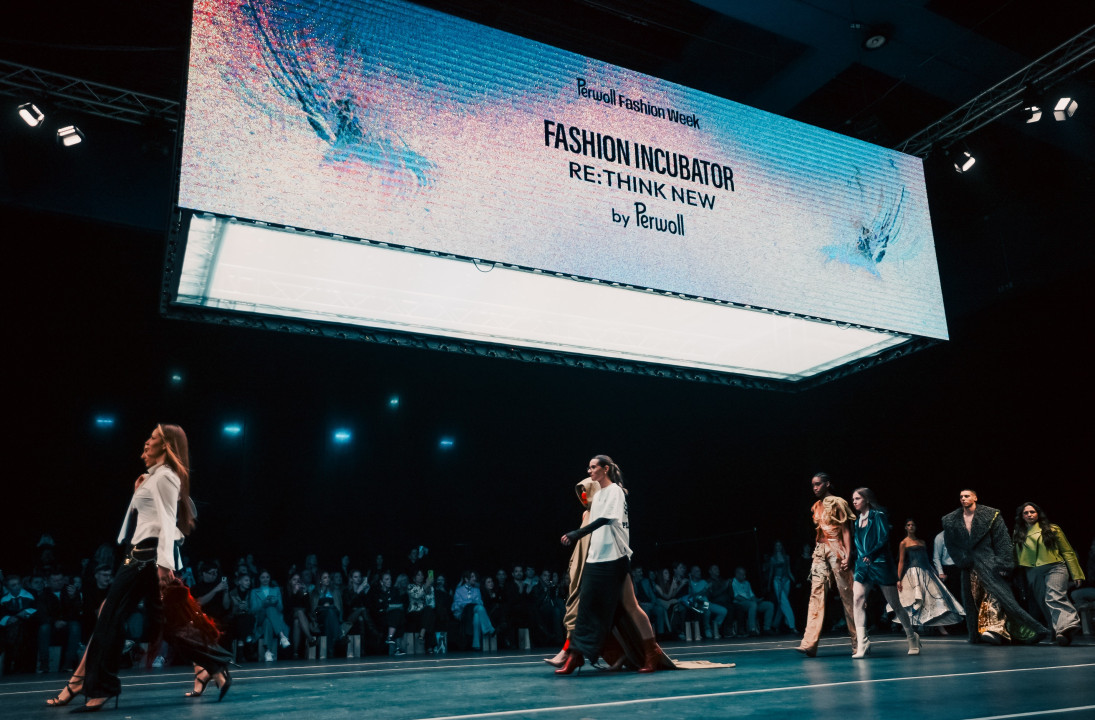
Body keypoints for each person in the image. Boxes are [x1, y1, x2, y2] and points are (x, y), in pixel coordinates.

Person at [48, 425, 233, 711]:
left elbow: (168, 522)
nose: (146, 443)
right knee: (166, 621)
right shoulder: (153, 477)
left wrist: (164, 565)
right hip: (139, 553)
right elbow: (149, 518)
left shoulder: (166, 477)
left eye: (152, 439)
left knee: (110, 615)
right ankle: (212, 666)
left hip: (146, 556)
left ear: (166, 446)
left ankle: (93, 684)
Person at [555, 455, 632, 675]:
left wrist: (576, 533)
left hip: (615, 556)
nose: (589, 471)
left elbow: (606, 520)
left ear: (605, 469)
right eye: (588, 468)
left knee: (622, 609)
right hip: (595, 558)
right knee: (586, 607)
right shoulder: (597, 498)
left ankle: (644, 653)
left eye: (593, 467)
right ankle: (575, 656)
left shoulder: (615, 491)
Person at [941, 489, 1046, 645]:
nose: (963, 498)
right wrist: (961, 560)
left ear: (975, 498)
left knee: (995, 595)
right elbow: (951, 544)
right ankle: (988, 631)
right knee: (975, 599)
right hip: (969, 566)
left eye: (967, 496)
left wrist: (1004, 563)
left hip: (990, 563)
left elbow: (1002, 540)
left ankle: (993, 630)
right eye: (961, 496)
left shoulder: (990, 515)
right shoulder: (951, 520)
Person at [848, 488, 920, 657]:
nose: (854, 501)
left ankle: (912, 636)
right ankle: (862, 643)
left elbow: (883, 538)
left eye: (857, 498)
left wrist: (871, 554)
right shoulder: (857, 521)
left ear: (866, 499)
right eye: (853, 499)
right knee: (857, 599)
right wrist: (860, 558)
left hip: (880, 563)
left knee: (895, 604)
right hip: (863, 565)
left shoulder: (878, 515)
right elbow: (858, 543)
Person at [796, 472, 857, 657]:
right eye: (813, 485)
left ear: (827, 484)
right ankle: (809, 643)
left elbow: (846, 530)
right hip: (820, 550)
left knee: (847, 595)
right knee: (816, 593)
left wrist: (848, 554)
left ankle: (858, 642)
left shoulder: (838, 502)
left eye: (818, 484)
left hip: (837, 549)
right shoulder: (816, 506)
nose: (815, 488)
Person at [1012, 502, 1084, 645]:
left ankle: (1066, 626)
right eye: (1026, 513)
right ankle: (1057, 633)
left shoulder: (1052, 529)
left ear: (1038, 514)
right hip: (1032, 571)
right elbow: (1016, 556)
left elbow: (1067, 552)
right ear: (1022, 516)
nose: (1029, 515)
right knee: (1043, 601)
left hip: (1055, 567)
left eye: (1032, 512)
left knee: (1054, 596)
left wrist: (1076, 573)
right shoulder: (1018, 533)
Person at [896, 519, 964, 633]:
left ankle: (940, 625)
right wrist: (898, 579)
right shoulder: (903, 543)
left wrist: (934, 572)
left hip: (926, 571)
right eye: (908, 525)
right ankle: (909, 625)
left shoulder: (922, 542)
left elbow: (926, 559)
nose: (911, 526)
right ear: (905, 527)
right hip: (913, 573)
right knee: (914, 598)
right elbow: (901, 561)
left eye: (913, 524)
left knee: (934, 597)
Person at [764, 541, 798, 634]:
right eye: (776, 545)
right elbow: (771, 572)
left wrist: (795, 581)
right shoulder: (773, 558)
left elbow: (789, 570)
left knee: (781, 605)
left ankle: (775, 624)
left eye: (779, 545)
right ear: (775, 547)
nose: (778, 547)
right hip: (777, 581)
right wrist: (769, 585)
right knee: (785, 603)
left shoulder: (786, 557)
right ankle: (792, 625)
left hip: (786, 581)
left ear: (782, 547)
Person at [731, 567, 774, 636]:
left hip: (751, 602)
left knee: (769, 605)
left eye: (745, 574)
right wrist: (751, 601)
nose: (744, 576)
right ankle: (752, 629)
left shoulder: (747, 583)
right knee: (752, 605)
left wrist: (757, 600)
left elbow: (751, 595)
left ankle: (767, 628)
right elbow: (736, 597)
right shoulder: (733, 582)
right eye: (742, 575)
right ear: (737, 574)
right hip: (740, 603)